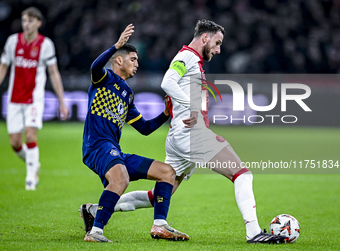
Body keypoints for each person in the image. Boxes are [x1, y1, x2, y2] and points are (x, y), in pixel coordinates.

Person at [80, 20, 286, 244]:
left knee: (159, 192)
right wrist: (190, 106)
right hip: (190, 134)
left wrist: (167, 113)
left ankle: (96, 210)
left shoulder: (184, 65)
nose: (218, 50)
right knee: (242, 174)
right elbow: (168, 82)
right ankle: (254, 232)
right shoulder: (186, 56)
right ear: (205, 38)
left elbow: (145, 127)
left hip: (181, 135)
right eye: (217, 43)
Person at [79, 24, 189, 243]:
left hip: (114, 151)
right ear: (119, 60)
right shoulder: (104, 79)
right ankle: (95, 232)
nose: (137, 64)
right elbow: (94, 66)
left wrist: (165, 114)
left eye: (137, 60)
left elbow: (145, 129)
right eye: (133, 59)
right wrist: (115, 46)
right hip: (97, 146)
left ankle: (160, 224)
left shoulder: (127, 94)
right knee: (121, 179)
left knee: (167, 172)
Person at [0, 7, 69, 191]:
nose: (26, 24)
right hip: (14, 99)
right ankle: (34, 163)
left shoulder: (45, 44)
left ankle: (30, 180)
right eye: (24, 20)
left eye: (30, 20)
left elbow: (54, 73)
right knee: (15, 143)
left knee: (30, 134)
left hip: (34, 99)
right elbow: (3, 66)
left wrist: (62, 101)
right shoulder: (13, 42)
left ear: (38, 23)